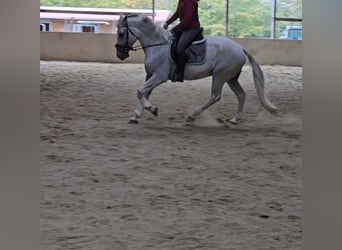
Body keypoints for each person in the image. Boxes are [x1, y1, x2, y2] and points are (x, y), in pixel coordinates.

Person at [163, 0, 201, 82]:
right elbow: (177, 13)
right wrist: (167, 22)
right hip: (185, 28)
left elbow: (187, 19)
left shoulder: (189, 2)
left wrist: (175, 29)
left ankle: (180, 73)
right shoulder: (181, 1)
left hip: (192, 29)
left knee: (180, 48)